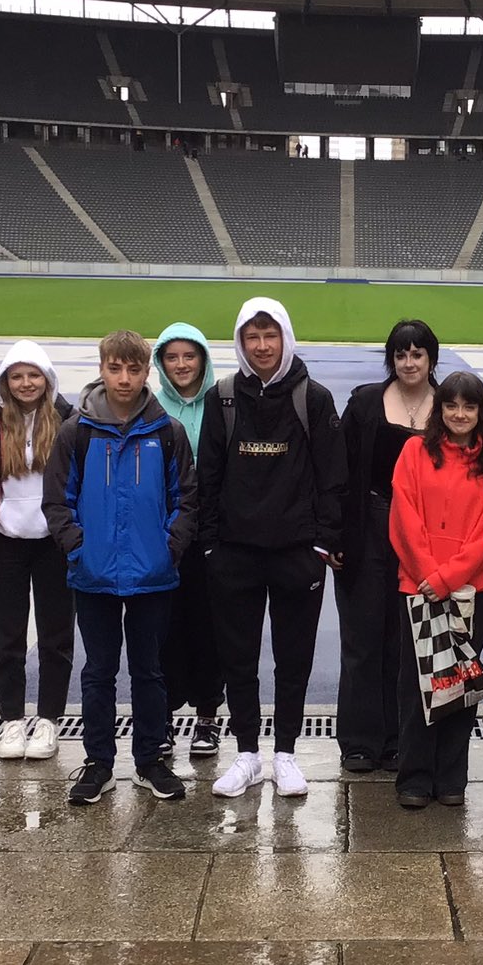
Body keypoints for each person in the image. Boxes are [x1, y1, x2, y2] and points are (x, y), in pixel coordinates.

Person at [198, 296, 347, 799]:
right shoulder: (222, 398)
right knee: (237, 659)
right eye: (252, 337)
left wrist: (322, 544)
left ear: (285, 337)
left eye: (270, 335)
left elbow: (333, 478)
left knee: (293, 658)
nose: (262, 346)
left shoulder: (313, 398)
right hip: (234, 554)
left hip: (296, 554)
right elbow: (208, 477)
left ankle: (285, 753)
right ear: (240, 341)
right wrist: (211, 546)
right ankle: (246, 754)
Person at [45, 330, 197, 804]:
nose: (125, 379)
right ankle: (99, 763)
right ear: (102, 369)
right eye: (115, 368)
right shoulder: (77, 432)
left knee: (150, 671)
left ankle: (150, 760)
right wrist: (78, 549)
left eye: (134, 369)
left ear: (147, 372)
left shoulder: (167, 432)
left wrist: (168, 548)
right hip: (94, 574)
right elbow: (58, 501)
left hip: (152, 575)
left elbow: (186, 499)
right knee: (99, 671)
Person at [388, 371, 483, 809]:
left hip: (474, 588)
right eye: (451, 406)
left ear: (481, 412)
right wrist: (430, 575)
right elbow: (404, 515)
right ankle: (415, 777)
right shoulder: (415, 451)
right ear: (439, 409)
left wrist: (448, 578)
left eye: (469, 406)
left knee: (461, 681)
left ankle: (451, 778)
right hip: (419, 584)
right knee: (417, 683)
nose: (459, 414)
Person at [0, 341, 75, 762]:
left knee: (56, 637)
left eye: (33, 375)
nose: (26, 384)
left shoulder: (68, 420)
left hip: (55, 543)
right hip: (3, 543)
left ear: (47, 379)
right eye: (17, 376)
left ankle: (49, 720)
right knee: (7, 638)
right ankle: (11, 720)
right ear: (5, 381)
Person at [335, 320, 439, 774]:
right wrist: (335, 535)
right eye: (400, 354)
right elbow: (339, 470)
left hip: (424, 535)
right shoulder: (364, 404)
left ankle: (400, 738)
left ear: (431, 358)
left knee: (408, 639)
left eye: (417, 354)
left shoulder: (449, 406)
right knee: (362, 637)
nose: (409, 362)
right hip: (368, 526)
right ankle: (360, 740)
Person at [154, 322, 224, 757]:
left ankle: (207, 717)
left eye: (189, 356)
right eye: (172, 357)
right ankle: (161, 717)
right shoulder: (150, 406)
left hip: (210, 532)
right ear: (161, 363)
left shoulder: (222, 402)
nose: (181, 365)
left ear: (203, 359)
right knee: (162, 628)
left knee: (209, 627)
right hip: (162, 534)